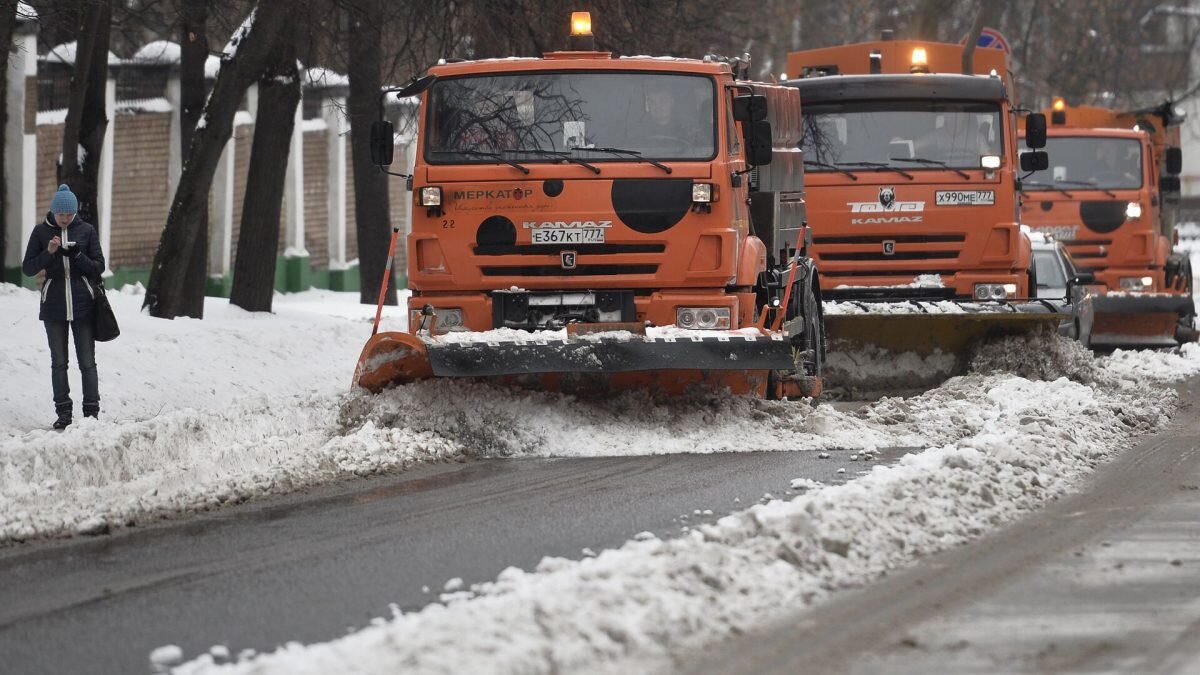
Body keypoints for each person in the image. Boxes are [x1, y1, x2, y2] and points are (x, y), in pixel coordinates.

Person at [22, 184, 106, 430]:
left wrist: (78, 256)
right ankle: (63, 412)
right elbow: (28, 269)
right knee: (59, 362)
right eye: (61, 215)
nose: (66, 219)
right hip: (54, 306)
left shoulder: (86, 230)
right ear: (53, 212)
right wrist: (48, 253)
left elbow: (99, 266)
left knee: (87, 362)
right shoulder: (40, 233)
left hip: (83, 305)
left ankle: (91, 413)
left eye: (70, 215)